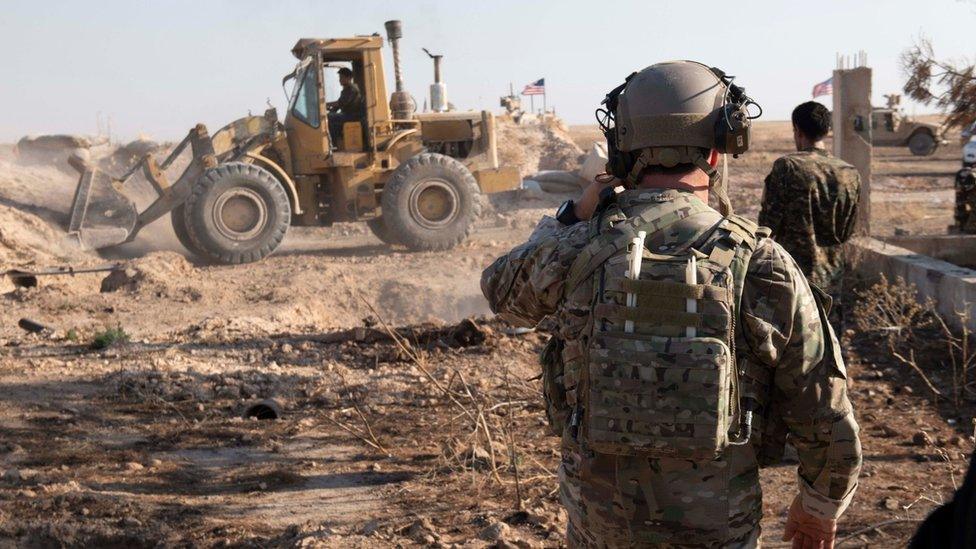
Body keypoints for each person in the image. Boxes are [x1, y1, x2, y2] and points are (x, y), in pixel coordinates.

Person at [481, 61, 862, 548]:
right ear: (719, 149)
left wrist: (574, 214)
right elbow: (824, 405)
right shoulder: (762, 263)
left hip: (600, 529)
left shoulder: (576, 248)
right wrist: (819, 507)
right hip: (718, 531)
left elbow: (501, 291)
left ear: (623, 147)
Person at [758, 101, 860, 306]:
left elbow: (767, 226)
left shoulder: (788, 167)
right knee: (830, 336)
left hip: (793, 277)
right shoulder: (850, 172)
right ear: (827, 130)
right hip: (833, 278)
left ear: (797, 130)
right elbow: (848, 230)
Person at [327, 67, 364, 147]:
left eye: (341, 77)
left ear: (348, 78)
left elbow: (341, 103)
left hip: (352, 116)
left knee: (329, 118)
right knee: (330, 117)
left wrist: (326, 104)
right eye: (340, 78)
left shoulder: (352, 89)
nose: (340, 80)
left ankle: (333, 145)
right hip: (347, 115)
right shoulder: (346, 89)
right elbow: (339, 104)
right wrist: (332, 109)